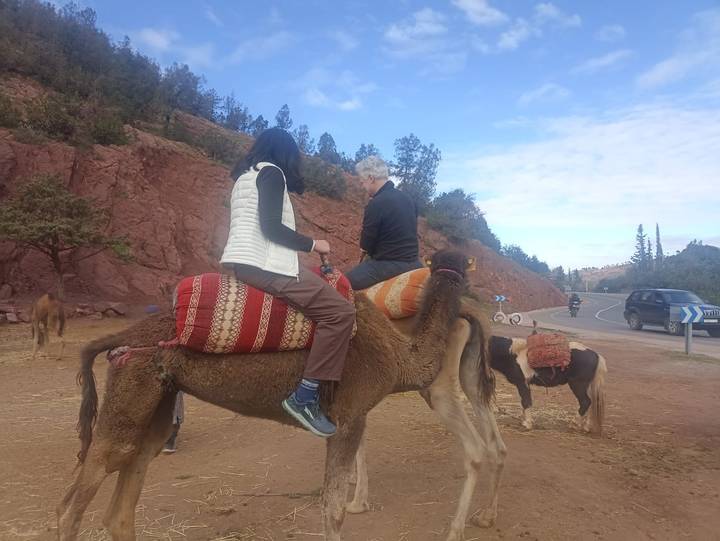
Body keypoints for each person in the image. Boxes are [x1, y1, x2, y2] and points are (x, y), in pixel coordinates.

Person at [221, 128, 355, 438]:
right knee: (340, 313)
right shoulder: (272, 173)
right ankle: (305, 397)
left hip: (243, 262)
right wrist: (314, 244)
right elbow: (271, 229)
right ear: (285, 153)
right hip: (266, 265)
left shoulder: (245, 177)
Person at [345, 156, 423, 290]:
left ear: (371, 178)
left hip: (389, 265)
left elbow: (366, 245)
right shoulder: (408, 199)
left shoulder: (376, 203)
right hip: (415, 263)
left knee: (343, 284)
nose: (363, 186)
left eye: (362, 182)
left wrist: (365, 248)